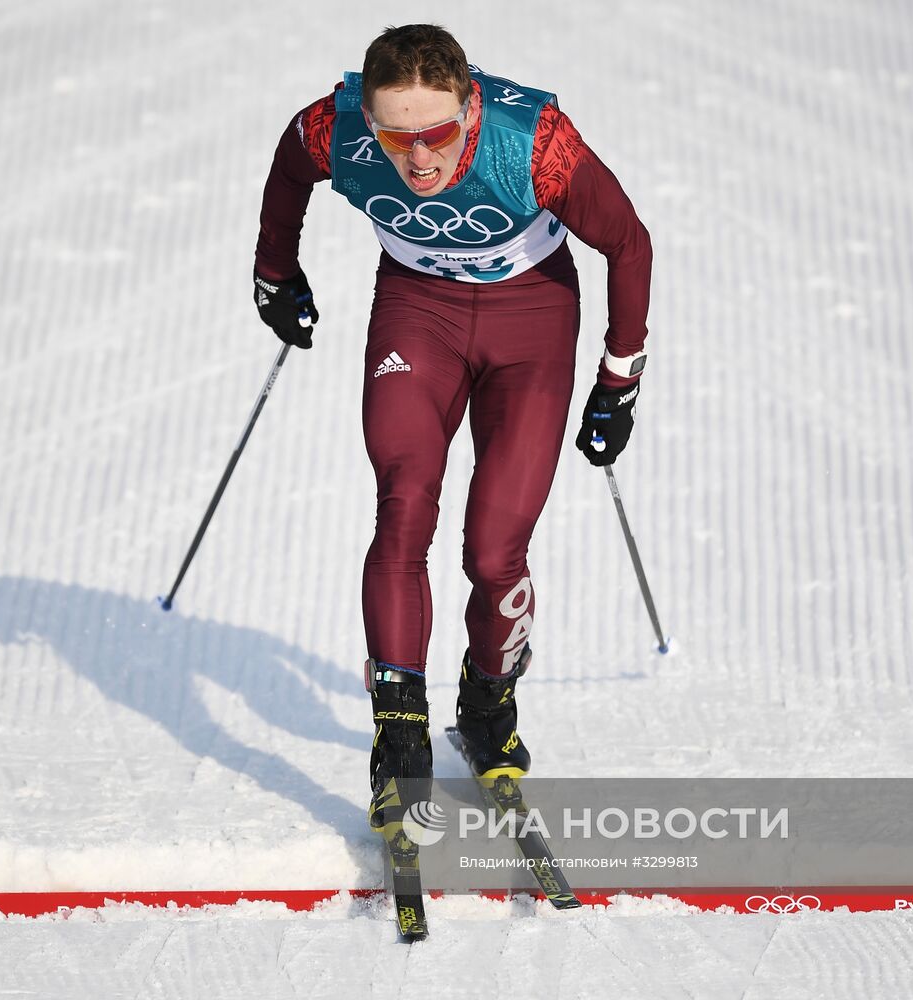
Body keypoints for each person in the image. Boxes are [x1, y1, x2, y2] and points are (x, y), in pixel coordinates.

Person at [253, 24, 651, 837]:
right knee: (402, 507)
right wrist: (274, 270)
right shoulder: (336, 130)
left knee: (493, 552)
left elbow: (627, 241)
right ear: (368, 119)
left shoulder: (534, 144)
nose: (419, 158)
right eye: (395, 137)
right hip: (418, 314)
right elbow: (288, 169)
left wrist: (618, 380)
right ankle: (399, 737)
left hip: (529, 318)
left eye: (437, 132)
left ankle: (485, 703)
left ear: (470, 107)